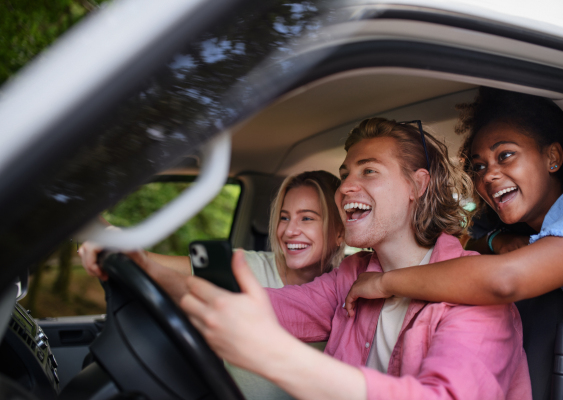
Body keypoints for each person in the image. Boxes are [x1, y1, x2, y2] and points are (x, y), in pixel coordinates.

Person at [180, 117, 531, 400]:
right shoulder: (352, 275)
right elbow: (275, 307)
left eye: (369, 171)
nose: (345, 186)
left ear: (417, 186)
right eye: (345, 173)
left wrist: (279, 358)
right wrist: (145, 268)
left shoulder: (477, 295)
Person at [79, 170, 345, 400]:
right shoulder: (241, 266)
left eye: (307, 218)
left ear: (340, 232)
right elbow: (150, 264)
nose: (289, 231)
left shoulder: (347, 297)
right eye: (285, 217)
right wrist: (109, 236)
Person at [343, 88, 563, 311]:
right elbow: (467, 248)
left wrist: (384, 283)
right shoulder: (512, 224)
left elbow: (505, 280)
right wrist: (496, 241)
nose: (489, 175)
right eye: (479, 166)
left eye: (505, 155)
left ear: (552, 157)